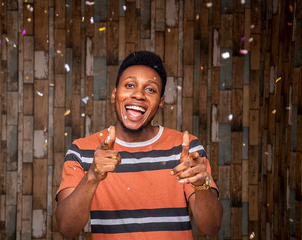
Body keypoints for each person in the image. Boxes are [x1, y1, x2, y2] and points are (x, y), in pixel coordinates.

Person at [55, 51, 223, 239]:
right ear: (114, 94)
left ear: (159, 103)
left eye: (150, 89)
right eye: (130, 85)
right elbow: (66, 228)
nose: (139, 95)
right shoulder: (82, 150)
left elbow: (212, 227)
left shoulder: (186, 149)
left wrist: (201, 185)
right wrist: (92, 177)